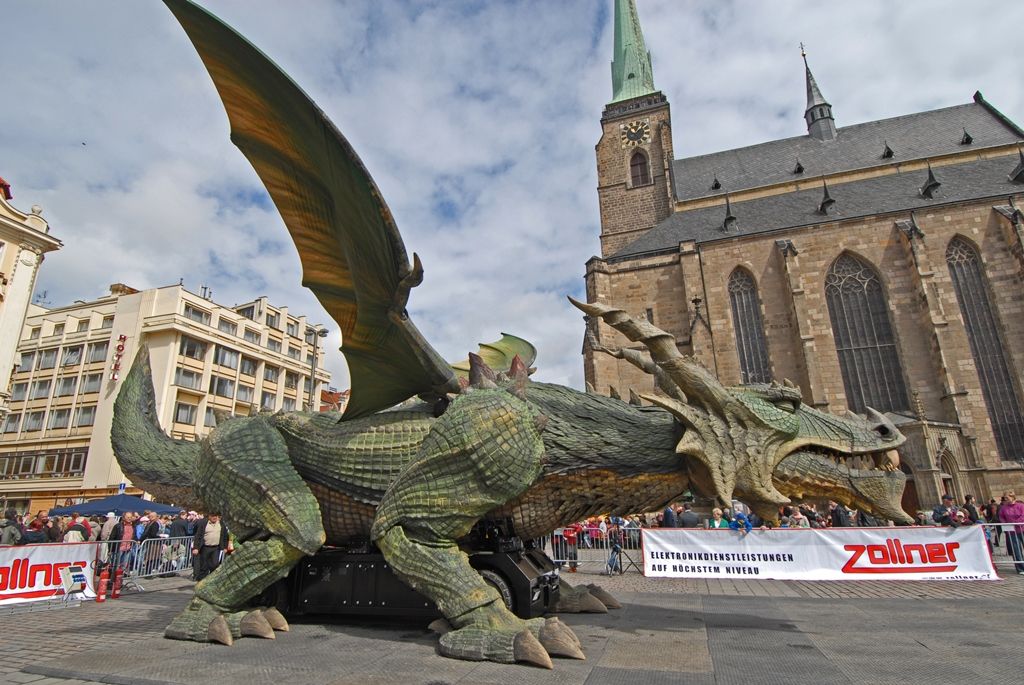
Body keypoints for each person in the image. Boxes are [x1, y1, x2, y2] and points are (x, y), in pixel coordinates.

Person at [192, 512, 232, 581]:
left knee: (215, 564)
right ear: (209, 516)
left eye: (216, 516)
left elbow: (225, 536)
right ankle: (201, 582)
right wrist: (196, 548)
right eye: (213, 516)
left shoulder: (221, 524)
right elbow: (198, 536)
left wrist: (225, 547)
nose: (214, 517)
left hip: (216, 548)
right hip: (205, 548)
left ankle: (211, 580)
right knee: (204, 567)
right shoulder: (204, 523)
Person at [998, 491, 1024, 575]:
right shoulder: (1004, 508)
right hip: (1012, 531)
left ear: (1012, 497)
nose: (1006, 499)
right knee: (1016, 550)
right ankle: (1020, 568)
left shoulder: (1021, 506)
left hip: (1022, 528)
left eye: (1007, 498)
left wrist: (1016, 522)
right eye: (1005, 498)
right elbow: (1001, 516)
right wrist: (1006, 523)